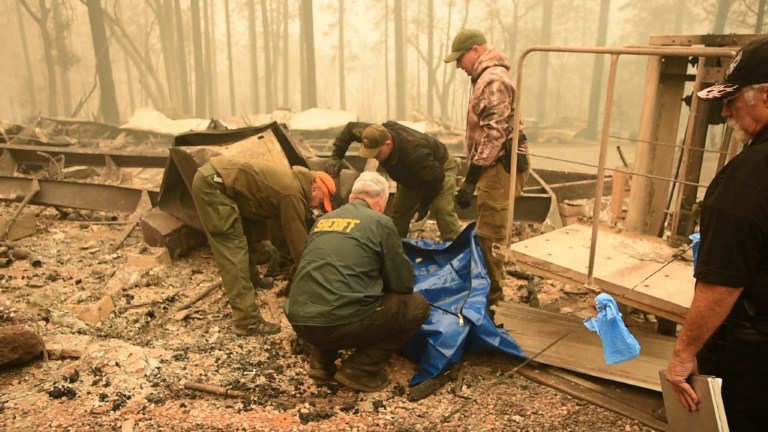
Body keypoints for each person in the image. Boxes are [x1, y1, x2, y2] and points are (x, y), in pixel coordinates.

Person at [664, 37, 768, 431]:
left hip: (754, 360)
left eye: (734, 99)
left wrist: (683, 354)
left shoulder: (747, 179)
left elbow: (722, 283)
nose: (725, 111)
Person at [285, 172, 431, 392]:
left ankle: (321, 361)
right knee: (416, 306)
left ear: (351, 198)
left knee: (327, 290)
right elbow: (402, 284)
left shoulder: (322, 221)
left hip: (300, 320)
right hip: (337, 323)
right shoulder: (381, 222)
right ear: (381, 203)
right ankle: (360, 369)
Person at [191, 155, 336, 336]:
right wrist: (318, 282)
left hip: (226, 184)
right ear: (315, 188)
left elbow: (280, 230)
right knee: (233, 251)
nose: (319, 207)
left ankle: (253, 280)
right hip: (213, 185)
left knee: (250, 237)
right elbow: (298, 244)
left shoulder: (295, 184)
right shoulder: (292, 193)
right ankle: (247, 322)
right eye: (321, 201)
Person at [444, 28, 530, 305]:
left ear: (476, 50)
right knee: (487, 229)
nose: (459, 65)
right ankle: (488, 291)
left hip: (497, 168)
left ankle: (492, 300)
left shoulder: (492, 80)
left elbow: (495, 133)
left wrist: (471, 179)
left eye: (460, 58)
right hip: (493, 167)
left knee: (490, 235)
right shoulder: (486, 78)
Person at [324, 122, 462, 241]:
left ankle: (457, 249)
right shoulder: (372, 135)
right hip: (409, 175)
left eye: (377, 154)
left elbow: (435, 180)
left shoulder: (415, 152)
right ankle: (396, 247)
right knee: (400, 212)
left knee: (442, 210)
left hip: (440, 169)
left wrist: (424, 204)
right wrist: (336, 156)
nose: (375, 158)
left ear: (388, 144)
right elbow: (349, 129)